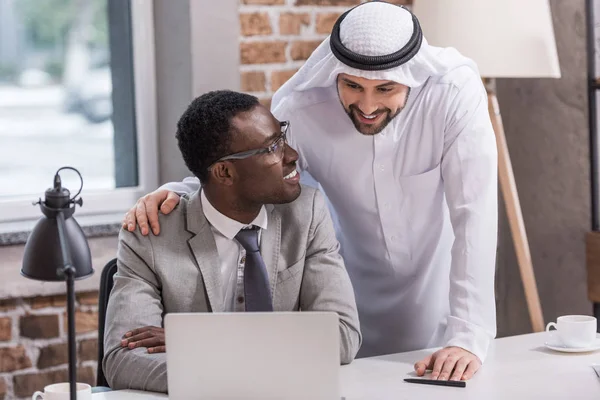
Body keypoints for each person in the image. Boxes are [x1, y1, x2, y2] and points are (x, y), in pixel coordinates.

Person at [124, 1, 497, 382]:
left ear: (413, 76)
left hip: (439, 308)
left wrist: (467, 336)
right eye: (352, 85)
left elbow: (475, 215)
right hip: (342, 308)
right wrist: (179, 190)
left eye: (385, 88)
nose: (367, 106)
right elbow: (255, 171)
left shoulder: (452, 95)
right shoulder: (301, 106)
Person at [103, 90, 361, 393]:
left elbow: (342, 337)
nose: (291, 155)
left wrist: (201, 343)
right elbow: (124, 359)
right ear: (225, 172)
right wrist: (260, 369)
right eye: (272, 148)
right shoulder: (150, 237)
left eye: (283, 137)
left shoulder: (307, 213)